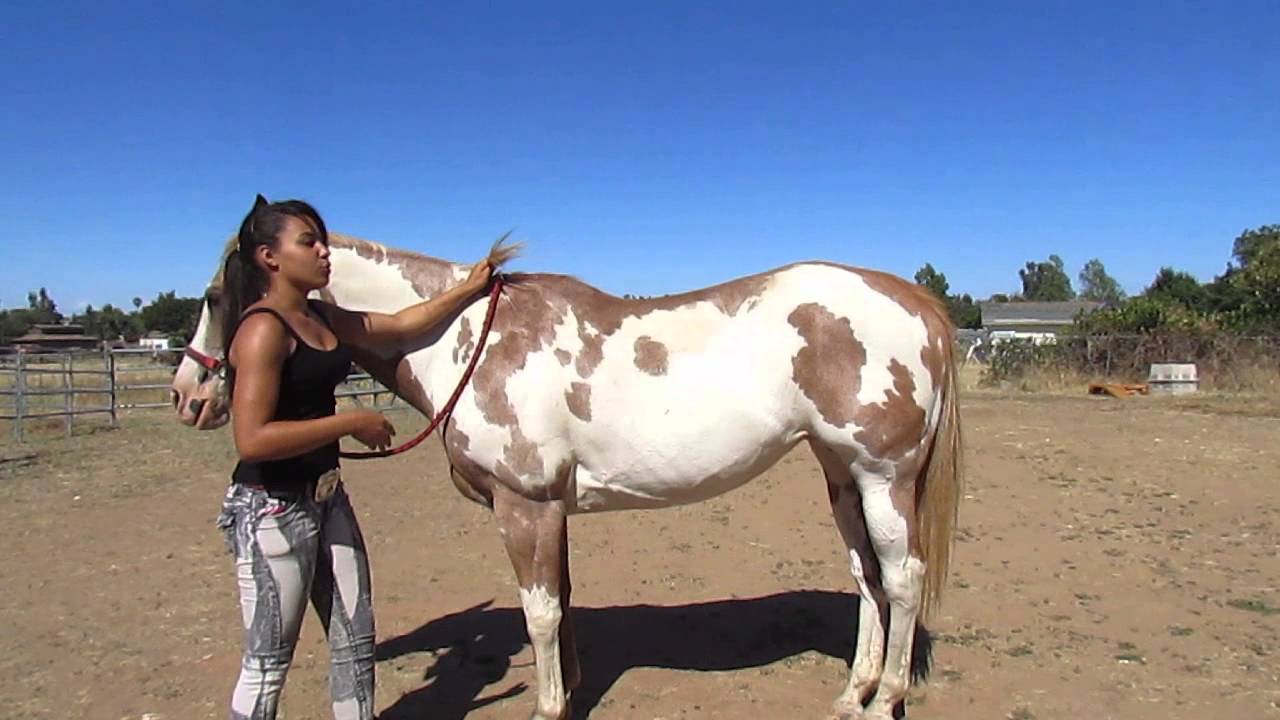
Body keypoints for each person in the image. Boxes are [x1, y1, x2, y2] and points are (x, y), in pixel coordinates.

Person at [214, 194, 492, 719]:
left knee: (355, 640)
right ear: (269, 258)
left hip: (325, 496)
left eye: (322, 239)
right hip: (271, 509)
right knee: (269, 661)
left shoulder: (321, 318)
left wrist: (468, 289)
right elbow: (251, 439)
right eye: (308, 242)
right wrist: (351, 422)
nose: (324, 251)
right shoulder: (263, 330)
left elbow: (403, 324)